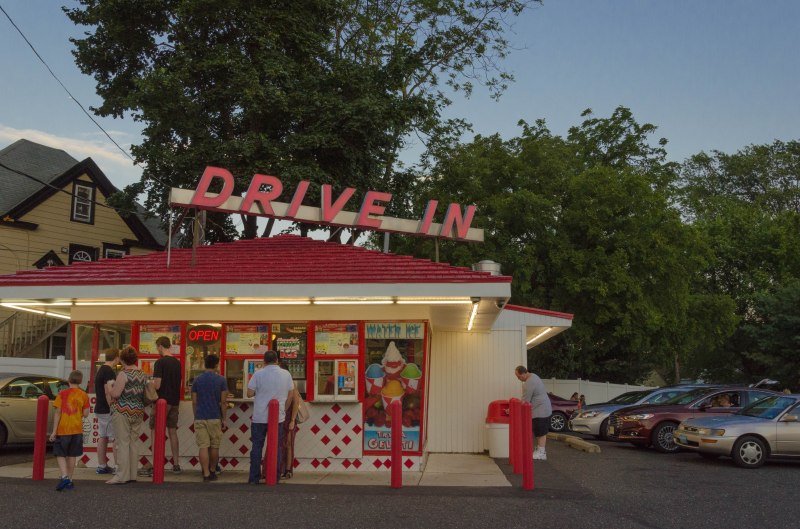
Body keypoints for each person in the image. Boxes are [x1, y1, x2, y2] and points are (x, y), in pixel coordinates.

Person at [246, 350, 293, 484]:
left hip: (259, 416)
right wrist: (284, 408)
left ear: (264, 361)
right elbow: (290, 394)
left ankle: (254, 477)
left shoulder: (258, 374)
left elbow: (249, 393)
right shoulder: (286, 374)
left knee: (256, 447)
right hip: (278, 417)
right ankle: (275, 476)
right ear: (277, 360)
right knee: (276, 447)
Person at [140, 335, 182, 477]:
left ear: (160, 347)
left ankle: (157, 463)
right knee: (172, 431)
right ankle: (176, 464)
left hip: (162, 401)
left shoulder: (160, 363)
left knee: (156, 431)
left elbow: (157, 384)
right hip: (175, 401)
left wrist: (148, 383)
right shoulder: (177, 362)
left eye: (157, 347)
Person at [106, 346, 148, 484]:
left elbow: (116, 394)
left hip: (122, 411)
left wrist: (109, 387)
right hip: (138, 411)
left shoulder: (123, 374)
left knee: (122, 443)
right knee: (133, 443)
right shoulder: (142, 373)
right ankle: (132, 474)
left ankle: (121, 476)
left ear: (123, 360)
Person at [50, 370, 90, 491]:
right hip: (77, 429)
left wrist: (53, 431)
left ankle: (64, 477)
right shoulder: (84, 395)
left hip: (63, 429)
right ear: (81, 381)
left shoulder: (62, 393)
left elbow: (57, 413)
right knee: (72, 454)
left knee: (60, 453)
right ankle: (70, 480)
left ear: (68, 380)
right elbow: (86, 413)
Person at [191, 354, 228, 482]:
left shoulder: (197, 380)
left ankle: (205, 474)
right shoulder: (221, 380)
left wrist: (196, 416)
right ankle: (212, 471)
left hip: (201, 416)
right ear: (217, 365)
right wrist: (224, 418)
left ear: (205, 364)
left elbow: (194, 401)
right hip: (215, 417)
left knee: (203, 446)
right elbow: (223, 402)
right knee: (214, 446)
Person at [514, 365, 552, 461]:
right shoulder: (534, 376)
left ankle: (541, 453)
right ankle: (540, 450)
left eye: (519, 377)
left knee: (541, 432)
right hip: (543, 408)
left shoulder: (528, 383)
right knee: (540, 431)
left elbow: (525, 401)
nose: (519, 379)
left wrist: (512, 409)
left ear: (523, 373)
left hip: (540, 410)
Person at [94, 348, 119, 475]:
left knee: (103, 436)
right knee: (115, 438)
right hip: (107, 409)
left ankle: (102, 465)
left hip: (99, 408)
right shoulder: (109, 372)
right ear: (116, 358)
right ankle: (117, 467)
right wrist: (113, 407)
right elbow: (108, 390)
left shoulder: (100, 370)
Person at [279, 362, 301, 479]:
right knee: (280, 444)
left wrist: (292, 420)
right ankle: (280, 468)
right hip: (279, 417)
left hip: (288, 418)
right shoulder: (278, 384)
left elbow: (296, 402)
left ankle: (287, 470)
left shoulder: (292, 384)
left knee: (288, 444)